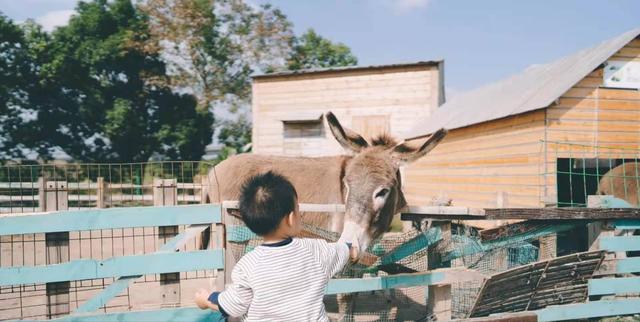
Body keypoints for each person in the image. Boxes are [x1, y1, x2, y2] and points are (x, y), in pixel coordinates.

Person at [194, 171, 358, 321]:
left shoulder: (247, 266)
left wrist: (207, 299)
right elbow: (344, 250)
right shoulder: (316, 250)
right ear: (291, 218)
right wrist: (351, 249)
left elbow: (233, 306)